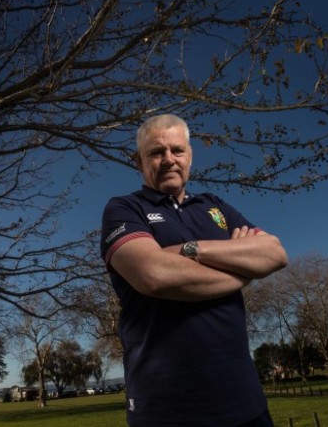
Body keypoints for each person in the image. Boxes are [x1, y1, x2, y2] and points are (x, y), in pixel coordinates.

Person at [100, 114, 288, 427]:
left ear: (190, 156)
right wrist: (245, 269)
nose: (168, 160)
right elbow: (154, 275)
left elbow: (275, 253)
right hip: (167, 410)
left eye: (177, 150)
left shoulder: (215, 206)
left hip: (245, 403)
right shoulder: (124, 208)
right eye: (156, 153)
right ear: (138, 161)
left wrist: (190, 251)